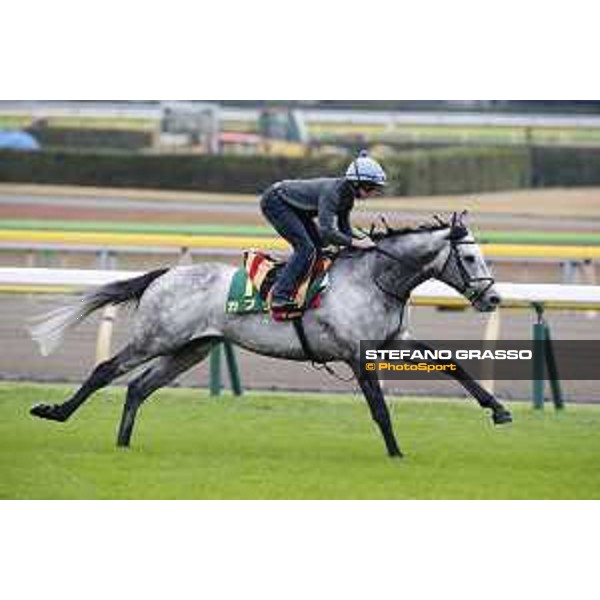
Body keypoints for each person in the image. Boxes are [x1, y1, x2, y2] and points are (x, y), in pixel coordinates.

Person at [260, 150, 386, 312]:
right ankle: (279, 296)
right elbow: (328, 231)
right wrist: (357, 243)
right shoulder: (333, 193)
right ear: (358, 183)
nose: (374, 193)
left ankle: (302, 285)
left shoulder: (347, 197)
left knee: (320, 246)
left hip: (295, 207)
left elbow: (344, 229)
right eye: (372, 188)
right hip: (276, 201)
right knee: (306, 248)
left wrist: (366, 239)